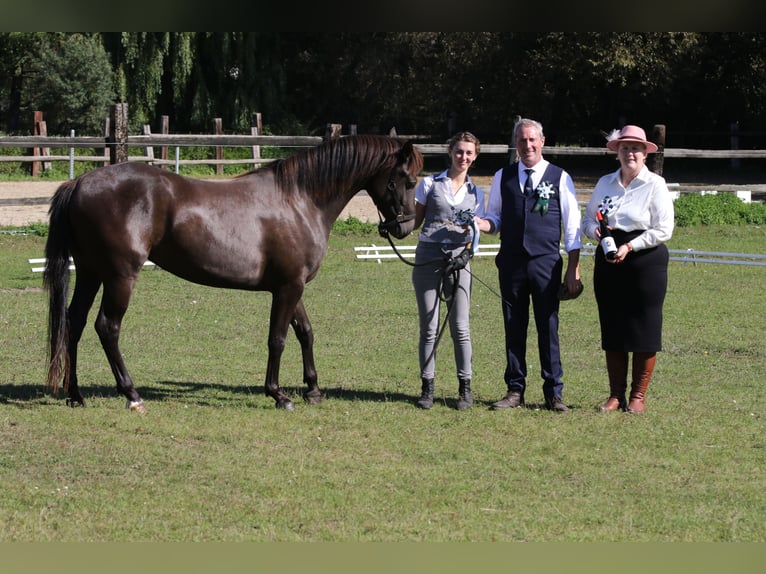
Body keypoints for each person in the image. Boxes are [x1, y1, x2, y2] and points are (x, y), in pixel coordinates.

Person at [476, 118, 582, 412]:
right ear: (516, 144)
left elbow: (572, 227)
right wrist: (479, 224)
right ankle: (514, 389)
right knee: (514, 326)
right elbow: (494, 218)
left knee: (548, 326)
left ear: (542, 141)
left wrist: (574, 266)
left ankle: (553, 392)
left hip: (546, 263)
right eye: (522, 140)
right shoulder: (502, 176)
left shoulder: (559, 177)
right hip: (511, 263)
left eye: (532, 140)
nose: (528, 145)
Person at [582, 124, 674, 414]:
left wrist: (630, 246)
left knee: (645, 327)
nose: (630, 153)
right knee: (613, 326)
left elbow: (664, 229)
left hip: (644, 259)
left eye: (636, 148)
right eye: (625, 148)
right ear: (617, 152)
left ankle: (638, 396)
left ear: (645, 154)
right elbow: (587, 220)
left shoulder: (655, 185)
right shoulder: (605, 183)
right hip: (609, 259)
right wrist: (595, 233)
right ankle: (615, 395)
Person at [412, 131, 486, 410]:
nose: (463, 157)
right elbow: (415, 222)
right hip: (429, 257)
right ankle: (427, 386)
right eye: (459, 152)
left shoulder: (476, 192)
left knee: (460, 327)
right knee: (429, 327)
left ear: (475, 156)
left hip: (459, 261)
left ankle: (465, 388)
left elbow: (476, 232)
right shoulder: (430, 184)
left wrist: (467, 253)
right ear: (450, 153)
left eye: (468, 153)